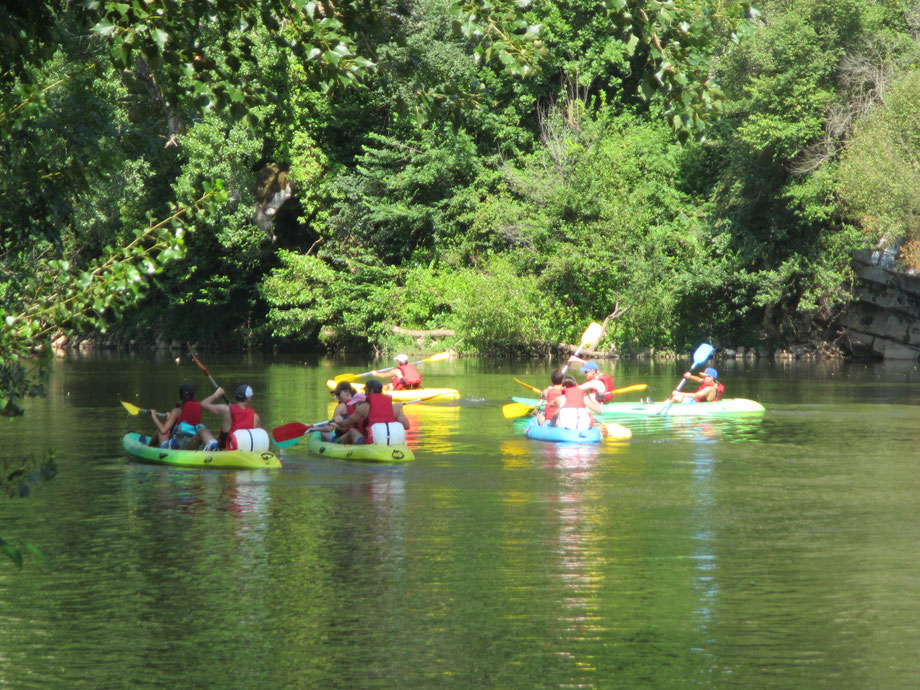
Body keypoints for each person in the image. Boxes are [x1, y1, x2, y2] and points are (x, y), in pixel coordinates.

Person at [336, 378, 410, 445]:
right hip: (390, 441)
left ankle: (337, 444)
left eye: (366, 391)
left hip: (372, 442)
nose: (365, 393)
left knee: (353, 431)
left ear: (372, 391)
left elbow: (345, 424)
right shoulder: (395, 408)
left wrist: (337, 421)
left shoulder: (363, 408)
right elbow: (406, 426)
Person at [149, 383, 219, 451]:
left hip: (179, 445)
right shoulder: (197, 408)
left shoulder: (176, 411)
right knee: (202, 430)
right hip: (194, 444)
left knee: (160, 430)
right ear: (194, 397)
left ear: (180, 398)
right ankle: (213, 446)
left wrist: (154, 416)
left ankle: (148, 447)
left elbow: (163, 430)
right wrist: (171, 417)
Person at [201, 384, 262, 450]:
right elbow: (259, 438)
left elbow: (203, 404)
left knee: (202, 431)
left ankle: (189, 455)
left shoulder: (226, 409)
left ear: (236, 397)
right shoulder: (255, 417)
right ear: (249, 399)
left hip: (225, 450)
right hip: (246, 451)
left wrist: (217, 394)